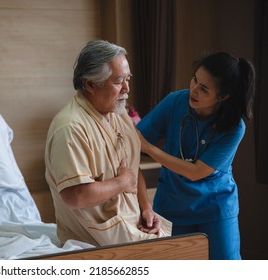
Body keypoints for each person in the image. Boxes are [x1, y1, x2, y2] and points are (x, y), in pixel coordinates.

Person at [44, 39, 171, 247]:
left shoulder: (119, 114)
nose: (127, 88)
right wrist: (122, 182)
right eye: (118, 81)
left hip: (133, 226)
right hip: (96, 241)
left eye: (128, 79)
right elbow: (75, 196)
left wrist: (146, 208)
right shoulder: (70, 128)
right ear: (90, 84)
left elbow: (131, 168)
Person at [136, 52, 255, 259]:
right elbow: (135, 138)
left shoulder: (235, 127)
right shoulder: (175, 102)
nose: (194, 89)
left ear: (223, 96)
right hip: (172, 204)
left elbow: (197, 172)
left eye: (204, 88)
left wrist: (149, 149)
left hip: (215, 206)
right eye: (194, 79)